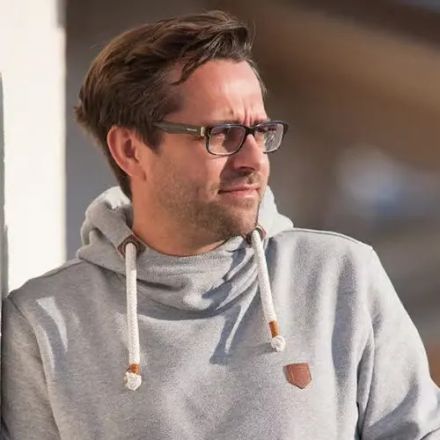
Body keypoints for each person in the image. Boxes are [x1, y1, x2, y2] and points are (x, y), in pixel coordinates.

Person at [2, 10, 440, 440]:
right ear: (131, 150)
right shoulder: (46, 322)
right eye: (222, 134)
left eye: (261, 132)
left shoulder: (339, 277)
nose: (253, 160)